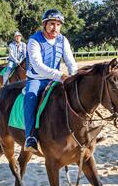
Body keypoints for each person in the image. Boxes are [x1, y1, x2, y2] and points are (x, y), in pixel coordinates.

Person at [24, 9, 78, 151]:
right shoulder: (34, 40)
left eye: (58, 24)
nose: (55, 27)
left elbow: (70, 60)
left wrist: (74, 75)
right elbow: (38, 66)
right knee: (31, 97)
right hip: (37, 79)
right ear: (45, 24)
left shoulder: (62, 40)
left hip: (55, 79)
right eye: (52, 24)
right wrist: (60, 75)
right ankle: (31, 137)